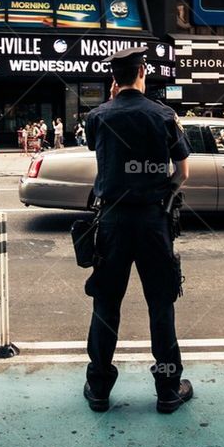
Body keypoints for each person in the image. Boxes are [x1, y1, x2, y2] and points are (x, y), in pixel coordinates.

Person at [82, 47, 193, 415]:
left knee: (106, 305)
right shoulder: (164, 115)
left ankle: (98, 387)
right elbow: (182, 173)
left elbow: (99, 155)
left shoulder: (97, 116)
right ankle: (167, 388)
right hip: (152, 223)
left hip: (111, 224)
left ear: (115, 80)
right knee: (160, 306)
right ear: (142, 72)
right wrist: (163, 194)